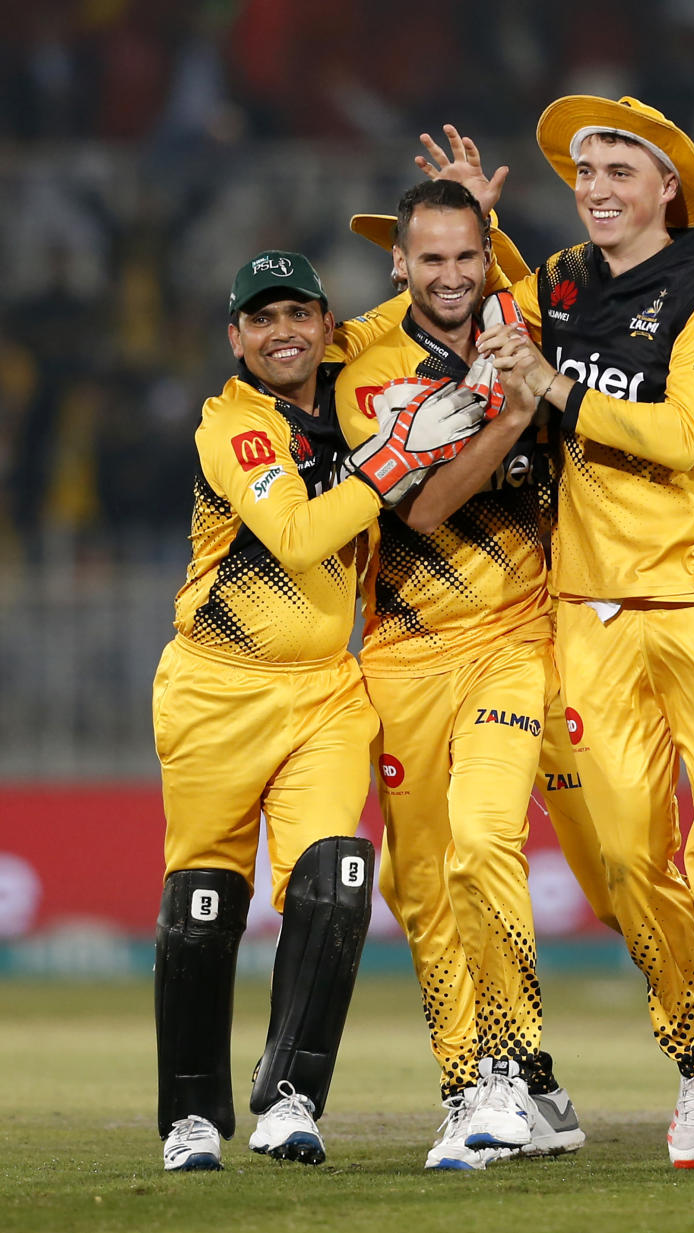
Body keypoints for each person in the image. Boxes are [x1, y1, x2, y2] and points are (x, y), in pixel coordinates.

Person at [417, 102, 694, 1168]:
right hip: (588, 613)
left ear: (668, 189)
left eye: (616, 169)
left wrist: (557, 391)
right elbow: (493, 300)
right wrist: (475, 214)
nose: (594, 185)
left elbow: (690, 439)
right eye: (583, 170)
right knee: (622, 861)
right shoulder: (560, 280)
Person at [152, 249, 489, 1172]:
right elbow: (298, 535)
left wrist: (466, 225)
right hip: (217, 687)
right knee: (209, 897)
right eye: (262, 319)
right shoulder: (233, 427)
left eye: (299, 313)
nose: (283, 332)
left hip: (329, 692)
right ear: (236, 336)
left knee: (338, 876)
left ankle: (291, 1095)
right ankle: (189, 1117)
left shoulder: (347, 377)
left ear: (325, 322)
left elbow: (427, 296)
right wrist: (392, 460)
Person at [336, 180, 586, 1172]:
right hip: (401, 650)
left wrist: (520, 369)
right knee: (416, 877)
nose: (449, 276)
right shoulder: (363, 366)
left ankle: (510, 1074)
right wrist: (505, 416)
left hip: (514, 639)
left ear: (487, 257)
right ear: (399, 263)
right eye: (429, 258)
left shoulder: (521, 327)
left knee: (485, 839)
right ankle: (478, 1085)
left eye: (466, 257)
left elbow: (562, 292)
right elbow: (427, 508)